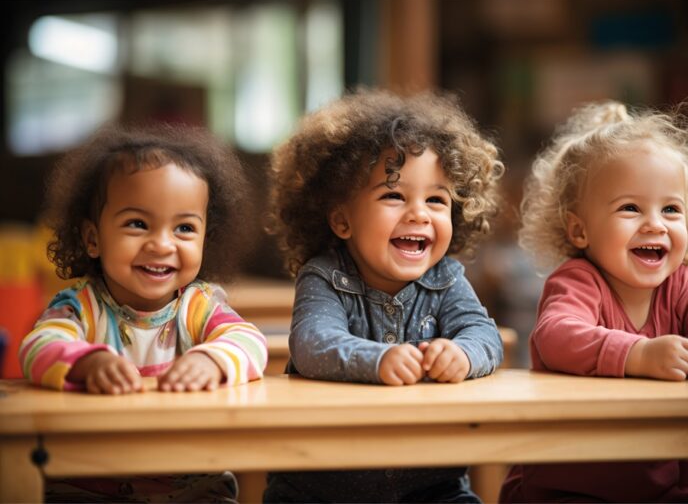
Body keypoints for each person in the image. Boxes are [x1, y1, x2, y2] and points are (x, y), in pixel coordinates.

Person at [501, 100, 688, 503]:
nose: (655, 223)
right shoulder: (578, 281)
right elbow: (556, 336)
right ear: (580, 230)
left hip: (673, 481)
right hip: (573, 482)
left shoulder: (687, 285)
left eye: (671, 209)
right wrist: (638, 354)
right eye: (630, 208)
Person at [264, 89, 505, 503]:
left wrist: (463, 354)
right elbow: (312, 344)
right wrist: (379, 360)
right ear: (342, 220)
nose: (419, 214)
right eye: (393, 195)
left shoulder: (446, 277)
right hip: (319, 489)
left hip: (431, 488)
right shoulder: (324, 276)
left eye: (436, 199)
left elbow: (485, 335)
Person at [19, 124, 268, 502]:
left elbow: (250, 342)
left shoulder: (199, 306)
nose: (162, 244)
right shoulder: (81, 307)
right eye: (138, 224)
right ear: (92, 239)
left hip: (193, 487)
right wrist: (87, 363)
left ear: (205, 239)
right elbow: (37, 347)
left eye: (184, 228)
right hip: (87, 485)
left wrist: (212, 360)